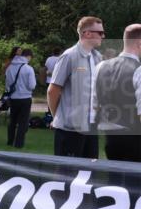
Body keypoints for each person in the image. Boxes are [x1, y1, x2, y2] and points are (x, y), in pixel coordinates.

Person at [48, 16, 104, 159]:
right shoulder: (69, 56)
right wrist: (58, 118)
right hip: (70, 129)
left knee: (88, 175)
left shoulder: (97, 57)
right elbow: (53, 91)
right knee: (66, 176)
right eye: (100, 33)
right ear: (87, 33)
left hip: (91, 127)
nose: (103, 36)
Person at [93, 24, 141, 162]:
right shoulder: (138, 70)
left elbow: (94, 105)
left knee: (114, 181)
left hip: (110, 137)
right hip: (134, 137)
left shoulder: (100, 67)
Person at [4, 48, 36, 149]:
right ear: (28, 56)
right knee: (23, 122)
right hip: (25, 98)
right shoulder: (28, 68)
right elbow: (32, 86)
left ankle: (10, 141)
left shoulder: (9, 68)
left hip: (13, 98)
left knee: (12, 121)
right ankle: (19, 143)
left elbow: (7, 84)